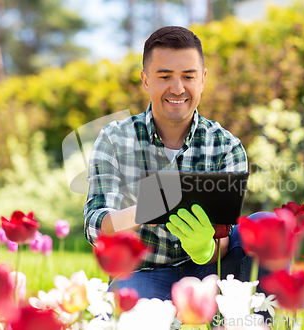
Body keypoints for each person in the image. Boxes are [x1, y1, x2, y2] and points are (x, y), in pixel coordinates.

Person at [84, 26, 267, 301]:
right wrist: (147, 209)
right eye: (165, 76)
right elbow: (96, 226)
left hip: (210, 269)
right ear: (146, 81)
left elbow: (225, 239)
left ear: (202, 80)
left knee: (265, 223)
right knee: (128, 314)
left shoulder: (226, 146)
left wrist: (205, 248)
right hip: (143, 273)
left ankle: (258, 321)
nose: (178, 88)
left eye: (188, 76)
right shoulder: (115, 139)